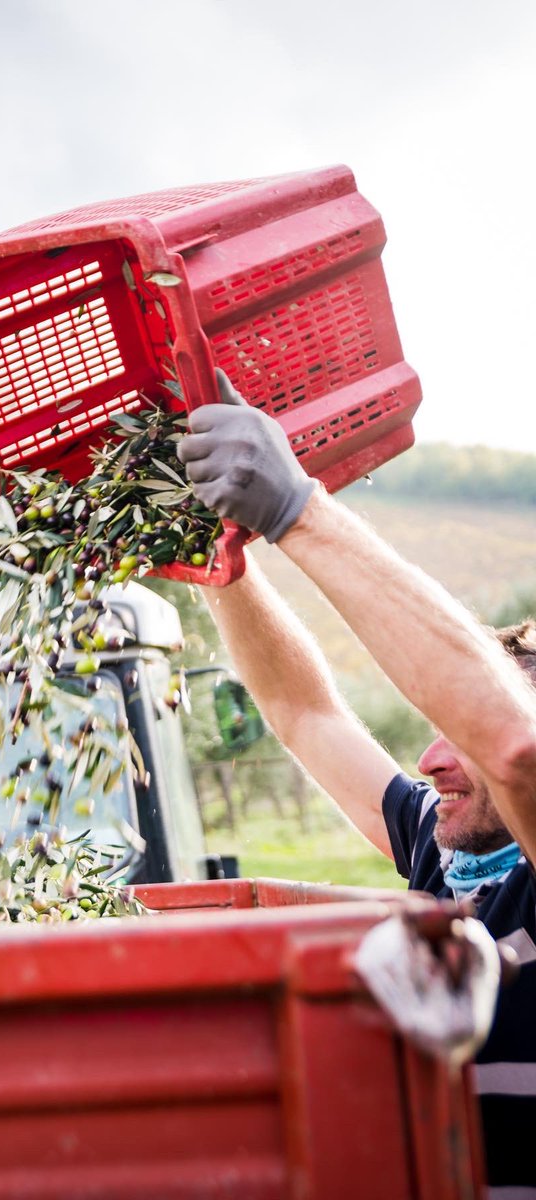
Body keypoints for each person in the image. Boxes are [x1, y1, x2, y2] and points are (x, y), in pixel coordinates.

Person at [177, 370, 536, 1196]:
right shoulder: (439, 851)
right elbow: (305, 713)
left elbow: (513, 745)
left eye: (462, 741)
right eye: (433, 733)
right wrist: (223, 563)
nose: (429, 761)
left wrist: (298, 511)